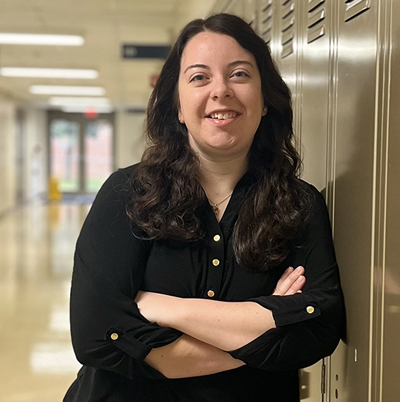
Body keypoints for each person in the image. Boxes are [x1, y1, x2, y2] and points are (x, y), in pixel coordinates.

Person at [64, 13, 345, 402]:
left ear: (265, 100)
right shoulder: (127, 194)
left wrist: (166, 308)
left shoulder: (299, 206)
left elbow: (318, 330)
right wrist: (266, 324)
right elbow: (97, 336)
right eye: (199, 77)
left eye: (240, 74)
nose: (221, 90)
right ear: (178, 107)